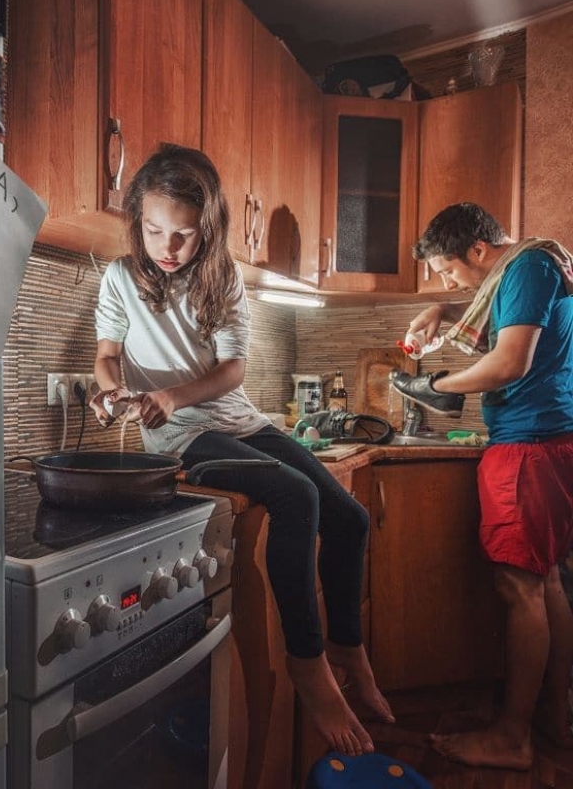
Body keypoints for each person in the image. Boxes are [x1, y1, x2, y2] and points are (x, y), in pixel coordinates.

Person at [89, 144, 394, 756]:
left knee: (350, 518)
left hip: (238, 419)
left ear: (209, 228)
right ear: (136, 222)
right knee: (296, 494)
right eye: (153, 230)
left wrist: (173, 392)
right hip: (182, 439)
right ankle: (309, 667)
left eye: (183, 234)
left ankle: (347, 649)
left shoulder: (223, 276)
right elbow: (105, 357)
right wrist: (109, 392)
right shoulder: (121, 277)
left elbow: (232, 372)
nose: (167, 246)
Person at [391, 202, 573, 770]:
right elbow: (501, 324)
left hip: (527, 446)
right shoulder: (535, 267)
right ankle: (551, 713)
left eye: (449, 272)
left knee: (521, 590)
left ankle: (511, 735)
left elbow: (509, 362)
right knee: (544, 584)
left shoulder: (527, 268)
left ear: (477, 250)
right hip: (549, 442)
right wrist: (444, 308)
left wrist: (438, 386)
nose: (449, 282)